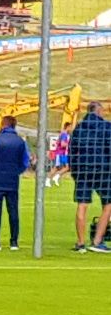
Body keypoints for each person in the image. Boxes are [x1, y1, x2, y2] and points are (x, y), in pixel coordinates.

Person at [0, 113, 31, 251]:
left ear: (3, 125)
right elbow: (25, 161)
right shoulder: (21, 142)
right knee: (13, 211)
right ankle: (14, 241)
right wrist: (16, 172)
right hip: (12, 181)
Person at [70, 102, 111, 252]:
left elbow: (72, 152)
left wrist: (75, 172)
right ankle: (97, 241)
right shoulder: (107, 127)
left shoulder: (79, 128)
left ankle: (81, 243)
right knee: (108, 204)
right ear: (99, 111)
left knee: (82, 205)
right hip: (103, 170)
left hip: (82, 170)